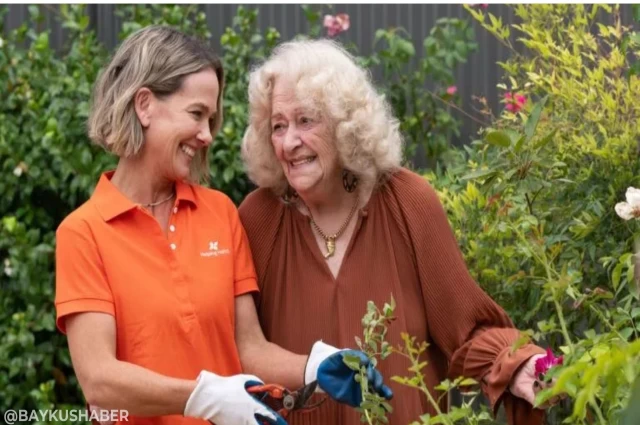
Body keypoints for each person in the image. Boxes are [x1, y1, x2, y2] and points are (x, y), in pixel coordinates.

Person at [54, 26, 392, 425]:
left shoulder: (219, 213)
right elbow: (100, 382)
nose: (206, 134)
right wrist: (204, 397)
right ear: (144, 105)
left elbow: (248, 348)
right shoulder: (85, 233)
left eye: (211, 118)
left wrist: (315, 365)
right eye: (197, 114)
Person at [238, 38, 558, 425]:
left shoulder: (408, 203)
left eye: (306, 120)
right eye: (278, 126)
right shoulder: (259, 219)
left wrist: (518, 364)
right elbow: (240, 349)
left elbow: (466, 329)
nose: (289, 142)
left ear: (344, 123)